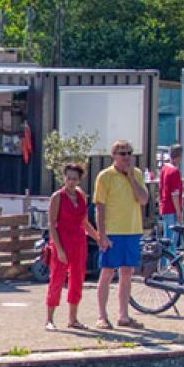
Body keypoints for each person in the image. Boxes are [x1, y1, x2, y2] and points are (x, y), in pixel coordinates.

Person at [93, 139, 150, 329]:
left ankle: (123, 315)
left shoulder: (137, 174)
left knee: (127, 272)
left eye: (129, 153)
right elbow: (99, 206)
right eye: (122, 153)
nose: (126, 157)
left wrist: (131, 178)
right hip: (113, 231)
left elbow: (143, 200)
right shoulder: (104, 176)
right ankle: (101, 315)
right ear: (114, 156)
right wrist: (101, 234)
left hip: (132, 229)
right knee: (107, 272)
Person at [45, 163, 96, 331]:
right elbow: (52, 225)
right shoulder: (57, 197)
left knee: (77, 278)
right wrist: (58, 249)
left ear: (79, 180)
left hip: (79, 241)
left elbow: (84, 222)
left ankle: (73, 318)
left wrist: (98, 237)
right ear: (64, 177)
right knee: (57, 279)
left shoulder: (81, 195)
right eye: (68, 178)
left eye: (74, 178)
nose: (71, 181)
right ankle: (49, 319)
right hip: (62, 240)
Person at [158, 144, 184, 243]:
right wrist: (179, 212)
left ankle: (164, 258)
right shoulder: (175, 171)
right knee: (172, 240)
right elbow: (175, 194)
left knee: (166, 237)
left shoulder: (164, 168)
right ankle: (170, 258)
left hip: (164, 206)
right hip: (171, 208)